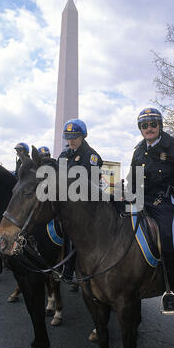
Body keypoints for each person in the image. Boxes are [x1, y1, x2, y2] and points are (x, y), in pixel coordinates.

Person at [129, 107, 174, 314]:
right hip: (143, 200)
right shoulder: (138, 150)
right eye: (145, 125)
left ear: (160, 125)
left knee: (167, 237)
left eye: (153, 124)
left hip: (167, 202)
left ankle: (169, 288)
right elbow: (133, 181)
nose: (149, 128)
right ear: (140, 129)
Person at [58, 119, 103, 285]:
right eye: (68, 136)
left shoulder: (91, 156)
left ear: (82, 136)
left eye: (74, 136)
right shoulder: (64, 154)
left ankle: (70, 269)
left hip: (84, 204)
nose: (70, 140)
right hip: (65, 202)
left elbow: (88, 185)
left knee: (75, 234)